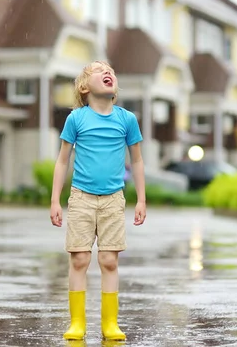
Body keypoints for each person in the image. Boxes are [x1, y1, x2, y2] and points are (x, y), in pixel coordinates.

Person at [49, 61, 146, 341]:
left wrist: (141, 199)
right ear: (83, 86)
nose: (108, 73)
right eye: (98, 70)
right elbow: (62, 160)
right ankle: (77, 322)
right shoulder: (76, 119)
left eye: (112, 71)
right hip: (81, 198)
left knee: (109, 260)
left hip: (113, 200)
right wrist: (55, 200)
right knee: (79, 259)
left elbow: (137, 161)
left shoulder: (126, 119)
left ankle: (110, 323)